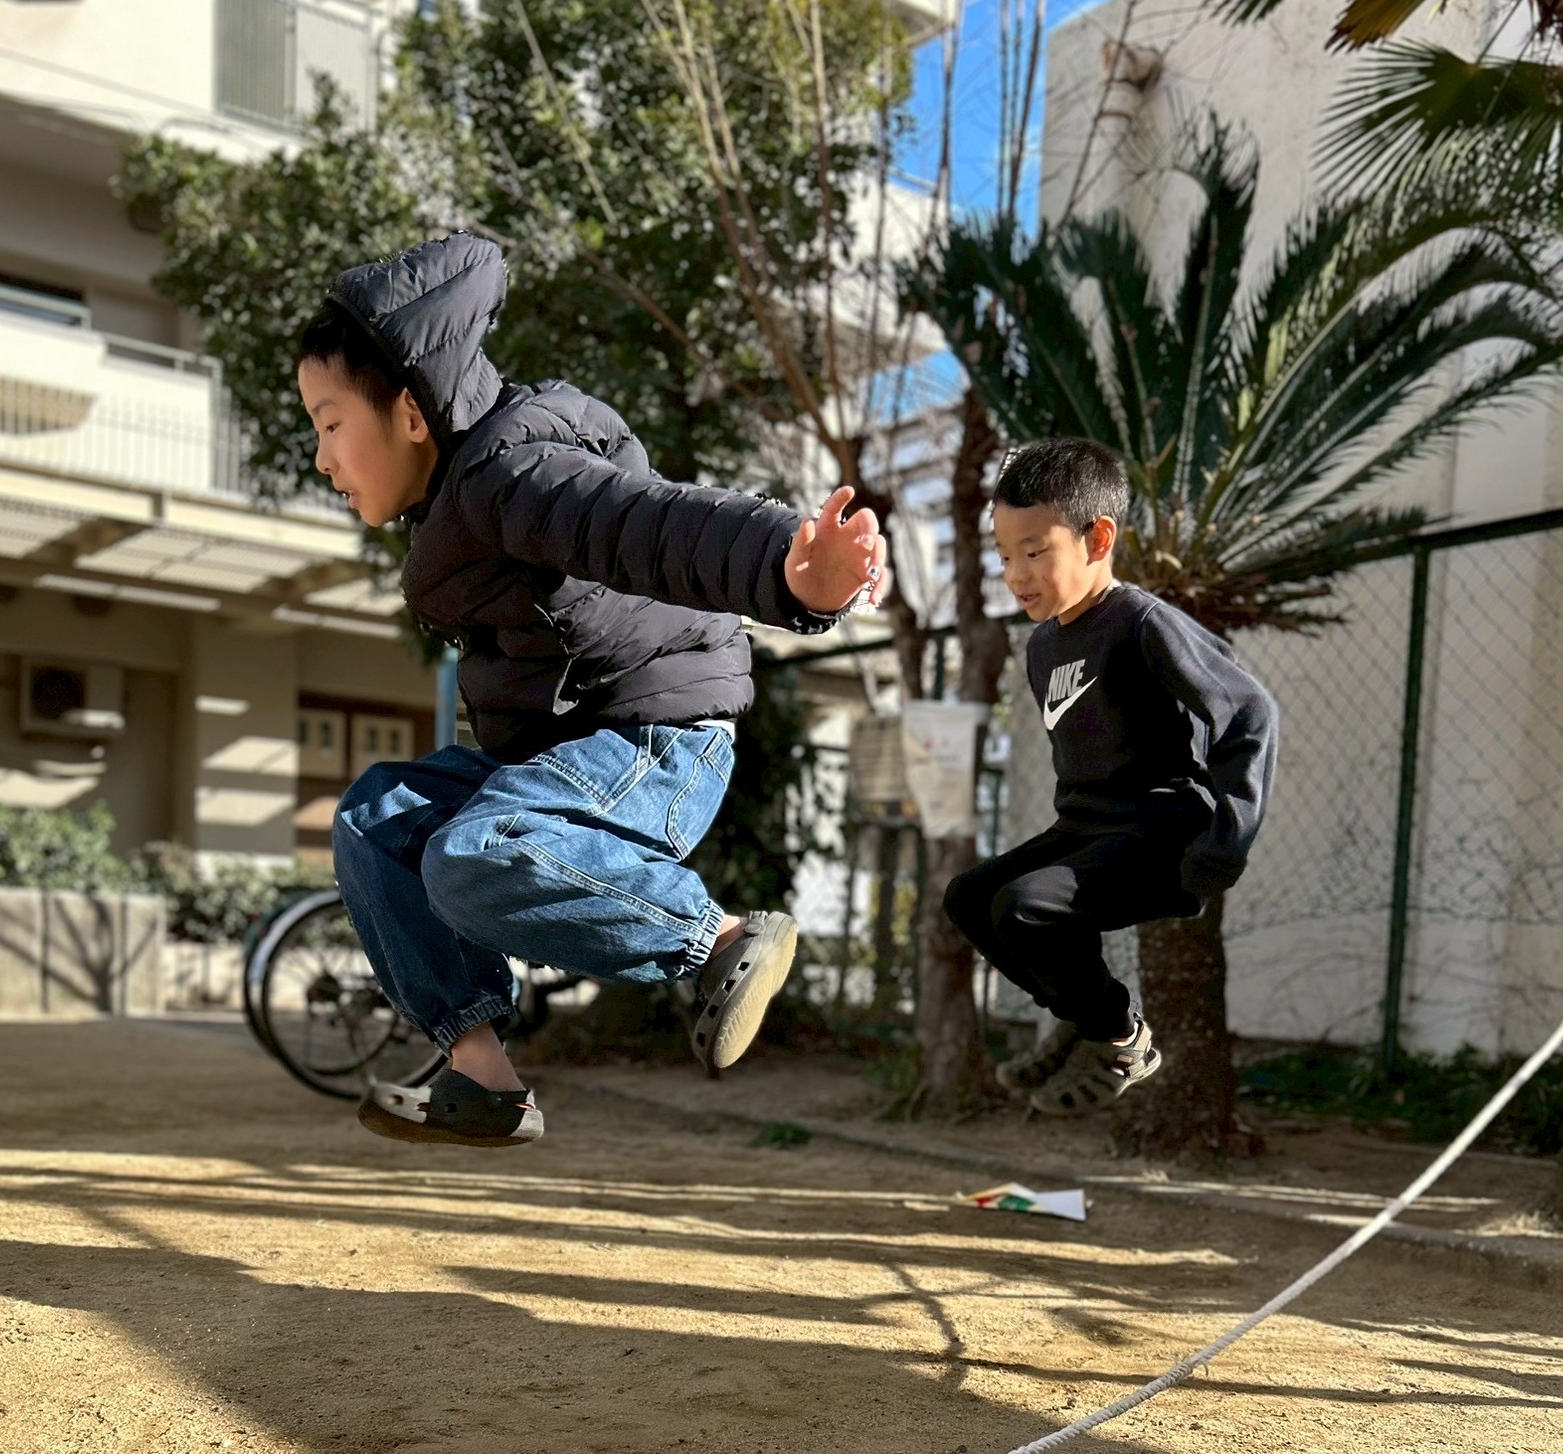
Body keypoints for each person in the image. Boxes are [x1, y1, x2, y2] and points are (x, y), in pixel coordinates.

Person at [299, 232, 883, 1149]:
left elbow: (644, 526)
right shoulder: (464, 494)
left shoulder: (513, 473)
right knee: (378, 820)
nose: (322, 458)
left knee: (470, 850)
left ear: (410, 415)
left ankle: (720, 940)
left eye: (331, 425)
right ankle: (481, 1074)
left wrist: (788, 570)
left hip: (659, 741)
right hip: (573, 753)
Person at [943, 438, 1278, 1115]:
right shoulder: (1042, 647)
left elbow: (1249, 709)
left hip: (1160, 834)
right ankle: (1079, 1016)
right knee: (970, 898)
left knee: (1027, 905)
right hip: (1086, 829)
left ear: (1097, 539)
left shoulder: (1143, 622)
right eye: (1006, 556)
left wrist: (1224, 844)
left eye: (1035, 552)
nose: (1017, 573)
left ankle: (1119, 1038)